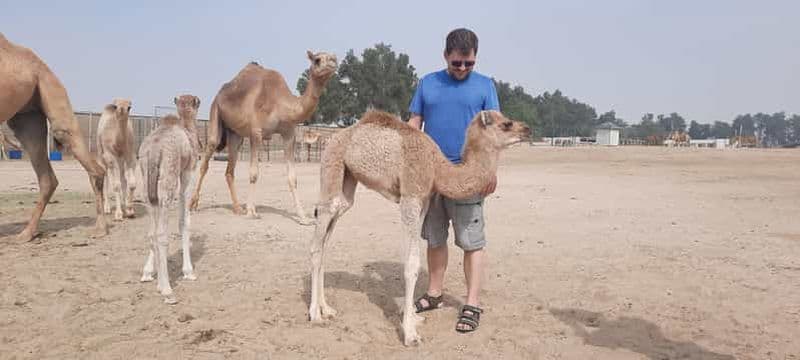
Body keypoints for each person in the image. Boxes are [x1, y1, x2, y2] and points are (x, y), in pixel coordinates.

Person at [407, 27, 499, 333]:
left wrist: (490, 170)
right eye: (457, 63)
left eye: (468, 64)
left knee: (471, 242)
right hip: (431, 177)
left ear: (475, 59)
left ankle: (472, 303)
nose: (462, 69)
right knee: (435, 238)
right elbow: (414, 124)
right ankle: (434, 293)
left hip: (468, 175)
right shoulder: (427, 84)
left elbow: (493, 132)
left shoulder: (485, 86)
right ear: (446, 55)